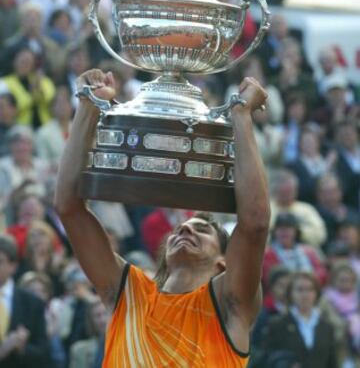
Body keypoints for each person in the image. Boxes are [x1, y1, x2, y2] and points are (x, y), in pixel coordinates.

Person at [55, 69, 270, 367]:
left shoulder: (230, 305)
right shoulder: (128, 293)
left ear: (224, 262)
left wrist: (242, 117)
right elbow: (68, 207)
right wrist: (88, 106)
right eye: (181, 227)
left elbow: (255, 222)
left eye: (202, 230)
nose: (184, 228)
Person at [262, 272, 338, 368]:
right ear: (290, 293)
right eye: (300, 289)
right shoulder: (277, 324)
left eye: (310, 289)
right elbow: (267, 358)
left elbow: (332, 363)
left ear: (316, 293)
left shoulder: (327, 327)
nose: (305, 294)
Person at [0, 234, 50, 368]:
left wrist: (22, 348)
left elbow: (44, 353)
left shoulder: (33, 303)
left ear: (13, 266)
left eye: (0, 261)